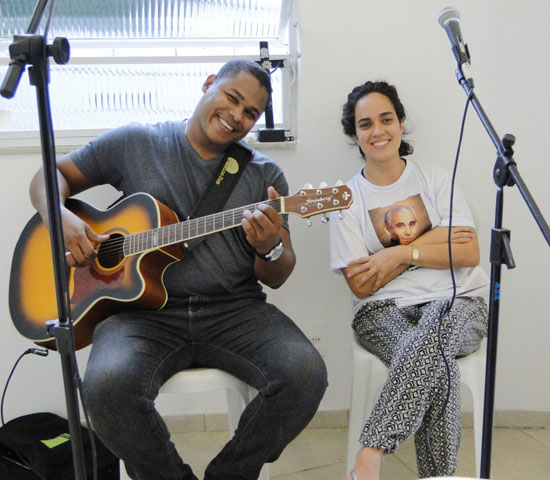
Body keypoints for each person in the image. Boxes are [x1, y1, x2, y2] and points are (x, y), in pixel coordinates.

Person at [29, 59, 328, 480]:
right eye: (232, 98)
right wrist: (60, 217)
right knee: (106, 387)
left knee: (305, 374)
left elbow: (277, 275)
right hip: (139, 315)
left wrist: (269, 246)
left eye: (250, 113)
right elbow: (50, 175)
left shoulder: (264, 175)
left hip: (234, 310)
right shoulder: (137, 142)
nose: (236, 116)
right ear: (208, 84)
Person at [329, 80, 488, 479]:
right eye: (365, 124)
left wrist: (397, 254)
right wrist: (436, 240)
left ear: (401, 124)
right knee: (439, 366)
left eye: (386, 119)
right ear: (354, 135)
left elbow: (468, 252)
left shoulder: (436, 178)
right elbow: (361, 284)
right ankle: (439, 478)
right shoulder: (346, 199)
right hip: (381, 312)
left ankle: (371, 452)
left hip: (459, 301)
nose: (378, 131)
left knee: (436, 329)